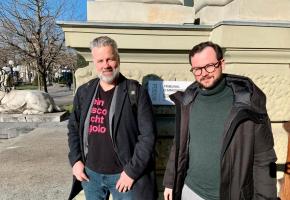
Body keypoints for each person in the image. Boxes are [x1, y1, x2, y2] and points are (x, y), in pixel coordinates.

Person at [163, 41, 277, 200]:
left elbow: (264, 159)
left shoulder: (248, 104)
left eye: (209, 66)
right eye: (197, 69)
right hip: (190, 191)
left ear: (222, 63)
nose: (203, 73)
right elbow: (179, 145)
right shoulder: (188, 102)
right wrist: (170, 181)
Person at [67, 36, 157, 200]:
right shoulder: (84, 92)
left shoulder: (135, 92)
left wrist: (131, 172)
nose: (106, 65)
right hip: (90, 175)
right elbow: (73, 128)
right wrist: (76, 161)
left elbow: (148, 136)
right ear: (94, 62)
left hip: (123, 176)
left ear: (118, 59)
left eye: (110, 59)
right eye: (100, 61)